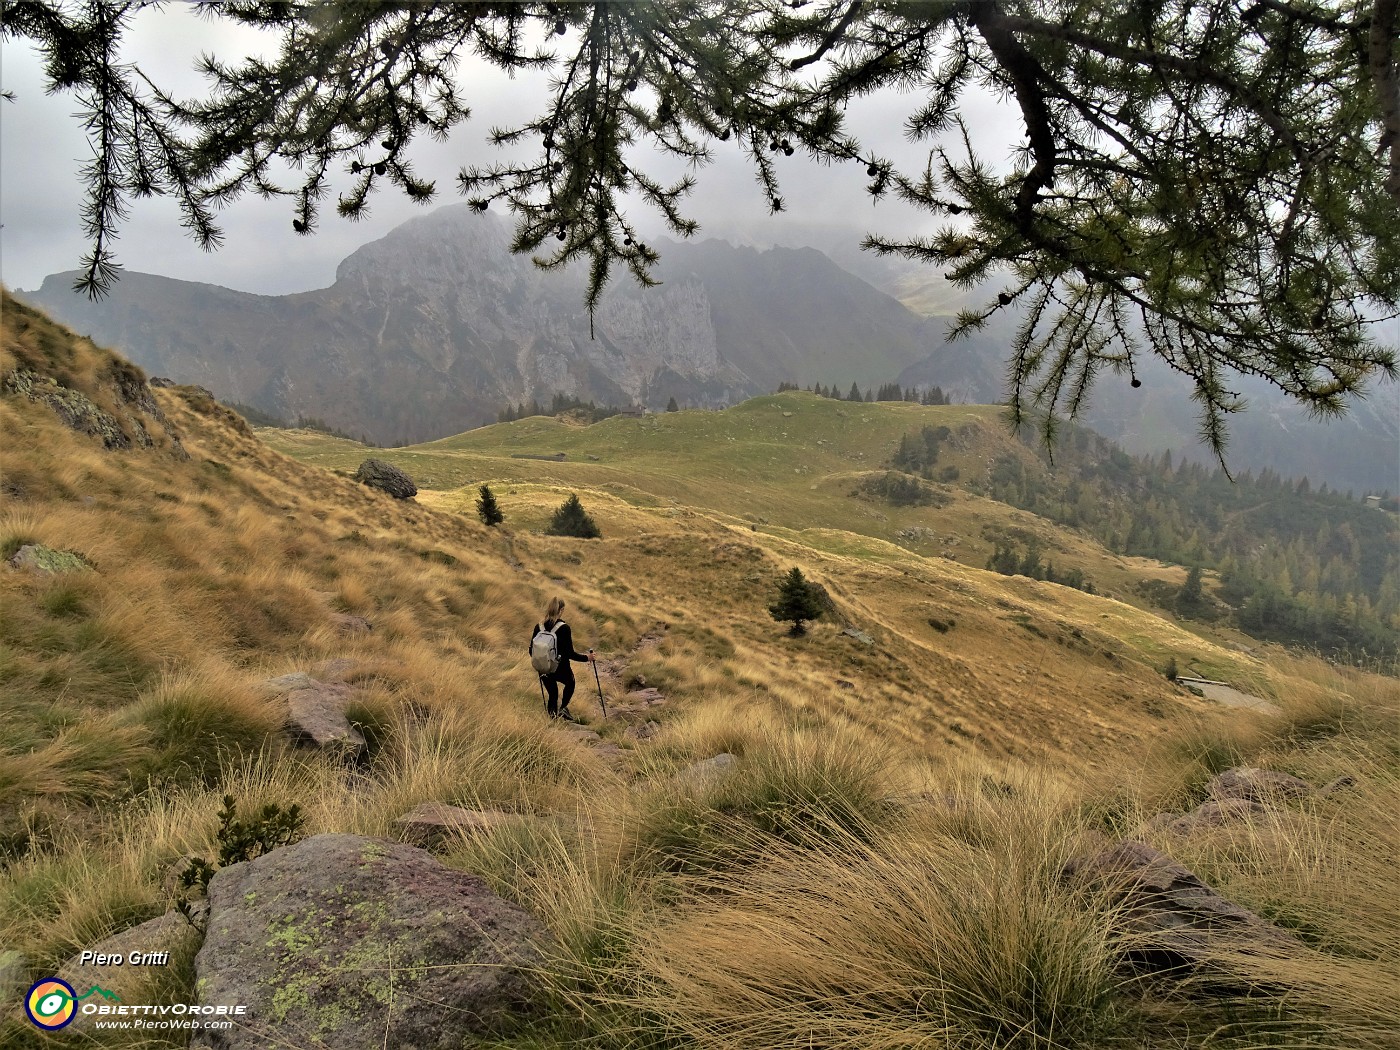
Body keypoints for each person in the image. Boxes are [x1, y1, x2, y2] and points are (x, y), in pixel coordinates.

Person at [529, 596, 594, 720]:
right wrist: (588, 658)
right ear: (562, 610)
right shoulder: (564, 628)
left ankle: (551, 721)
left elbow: (530, 650)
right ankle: (563, 708)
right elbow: (570, 654)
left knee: (552, 694)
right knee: (571, 682)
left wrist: (542, 661)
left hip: (542, 667)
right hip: (560, 668)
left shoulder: (539, 627)